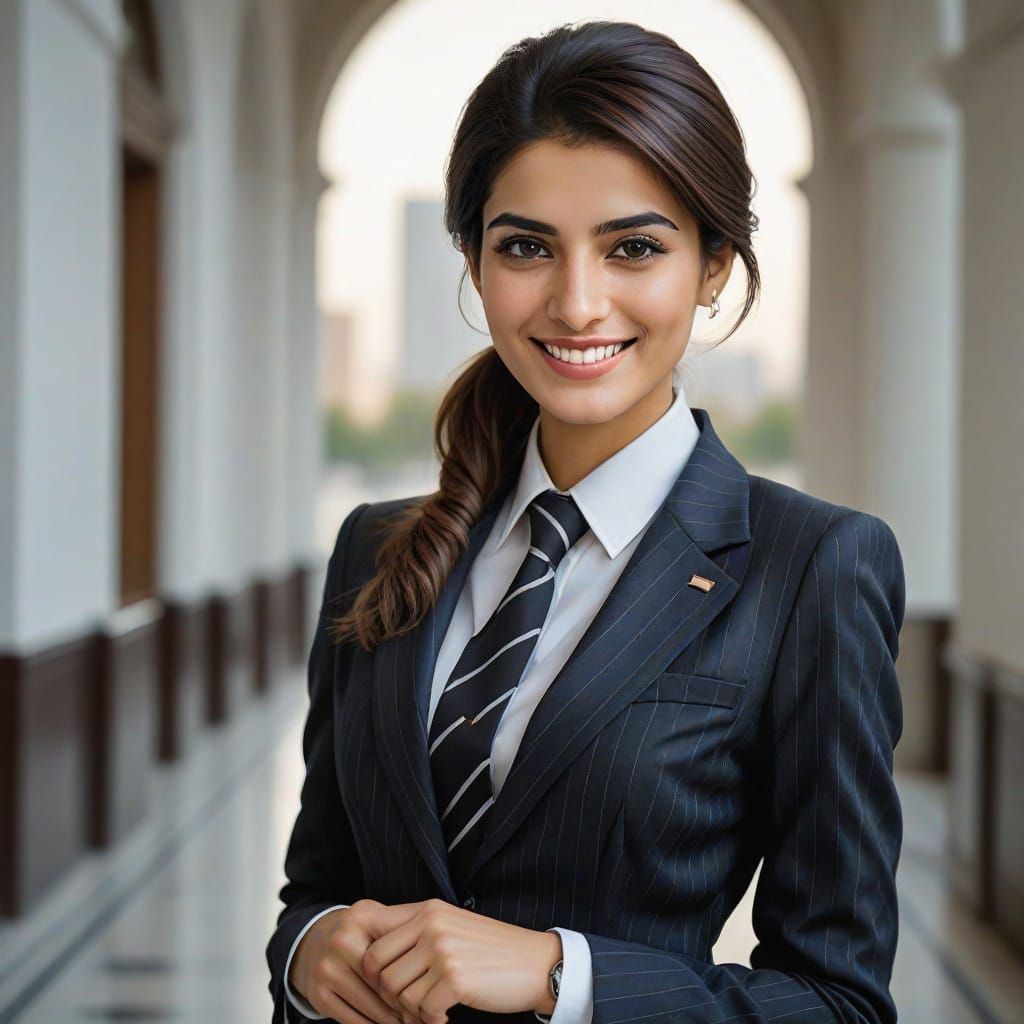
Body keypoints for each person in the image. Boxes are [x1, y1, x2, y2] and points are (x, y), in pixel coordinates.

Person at [265, 19, 905, 1024]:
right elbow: (318, 884)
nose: (575, 302)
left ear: (712, 269)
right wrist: (310, 952)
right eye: (525, 245)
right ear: (475, 264)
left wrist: (564, 976)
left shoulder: (812, 567)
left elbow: (836, 1001)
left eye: (633, 248)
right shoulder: (376, 548)